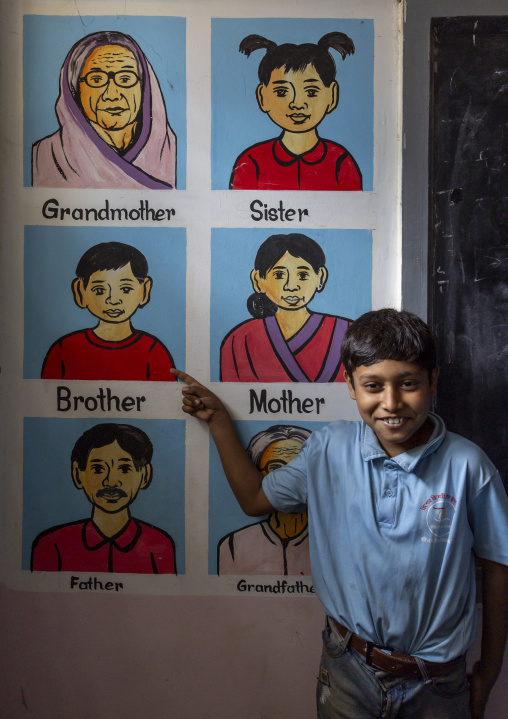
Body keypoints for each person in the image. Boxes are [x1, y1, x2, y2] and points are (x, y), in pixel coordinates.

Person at [172, 308, 508, 719]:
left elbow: (498, 568)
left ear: (433, 380)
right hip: (347, 670)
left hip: (438, 680)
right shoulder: (327, 450)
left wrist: (488, 673)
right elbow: (256, 500)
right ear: (349, 385)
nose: (391, 403)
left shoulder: (468, 466)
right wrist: (221, 422)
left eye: (408, 384)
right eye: (373, 385)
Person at [32, 31, 176, 189]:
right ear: (74, 89)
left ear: (144, 87)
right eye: (96, 79)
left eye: (125, 79)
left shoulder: (169, 148)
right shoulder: (44, 156)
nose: (112, 95)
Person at [31, 423, 176, 574]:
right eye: (98, 469)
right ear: (78, 474)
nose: (111, 481)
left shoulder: (160, 545)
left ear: (145, 475)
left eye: (124, 469)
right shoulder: (52, 545)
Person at [230, 32, 362, 191]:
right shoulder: (251, 162)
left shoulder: (341, 163)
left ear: (332, 96)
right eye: (281, 92)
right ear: (262, 96)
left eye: (311, 92)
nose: (297, 104)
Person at [220, 233, 351, 383]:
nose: (291, 286)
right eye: (280, 275)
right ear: (258, 280)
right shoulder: (239, 341)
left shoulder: (346, 332)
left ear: (320, 277)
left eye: (302, 275)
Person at [41, 242, 176, 381]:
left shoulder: (153, 351)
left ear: (145, 290)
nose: (113, 300)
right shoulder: (64, 350)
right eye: (99, 290)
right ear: (80, 291)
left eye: (125, 289)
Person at [218, 424, 311, 576]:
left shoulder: (333, 540)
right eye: (276, 467)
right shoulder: (234, 544)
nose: (288, 480)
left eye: (295, 467)